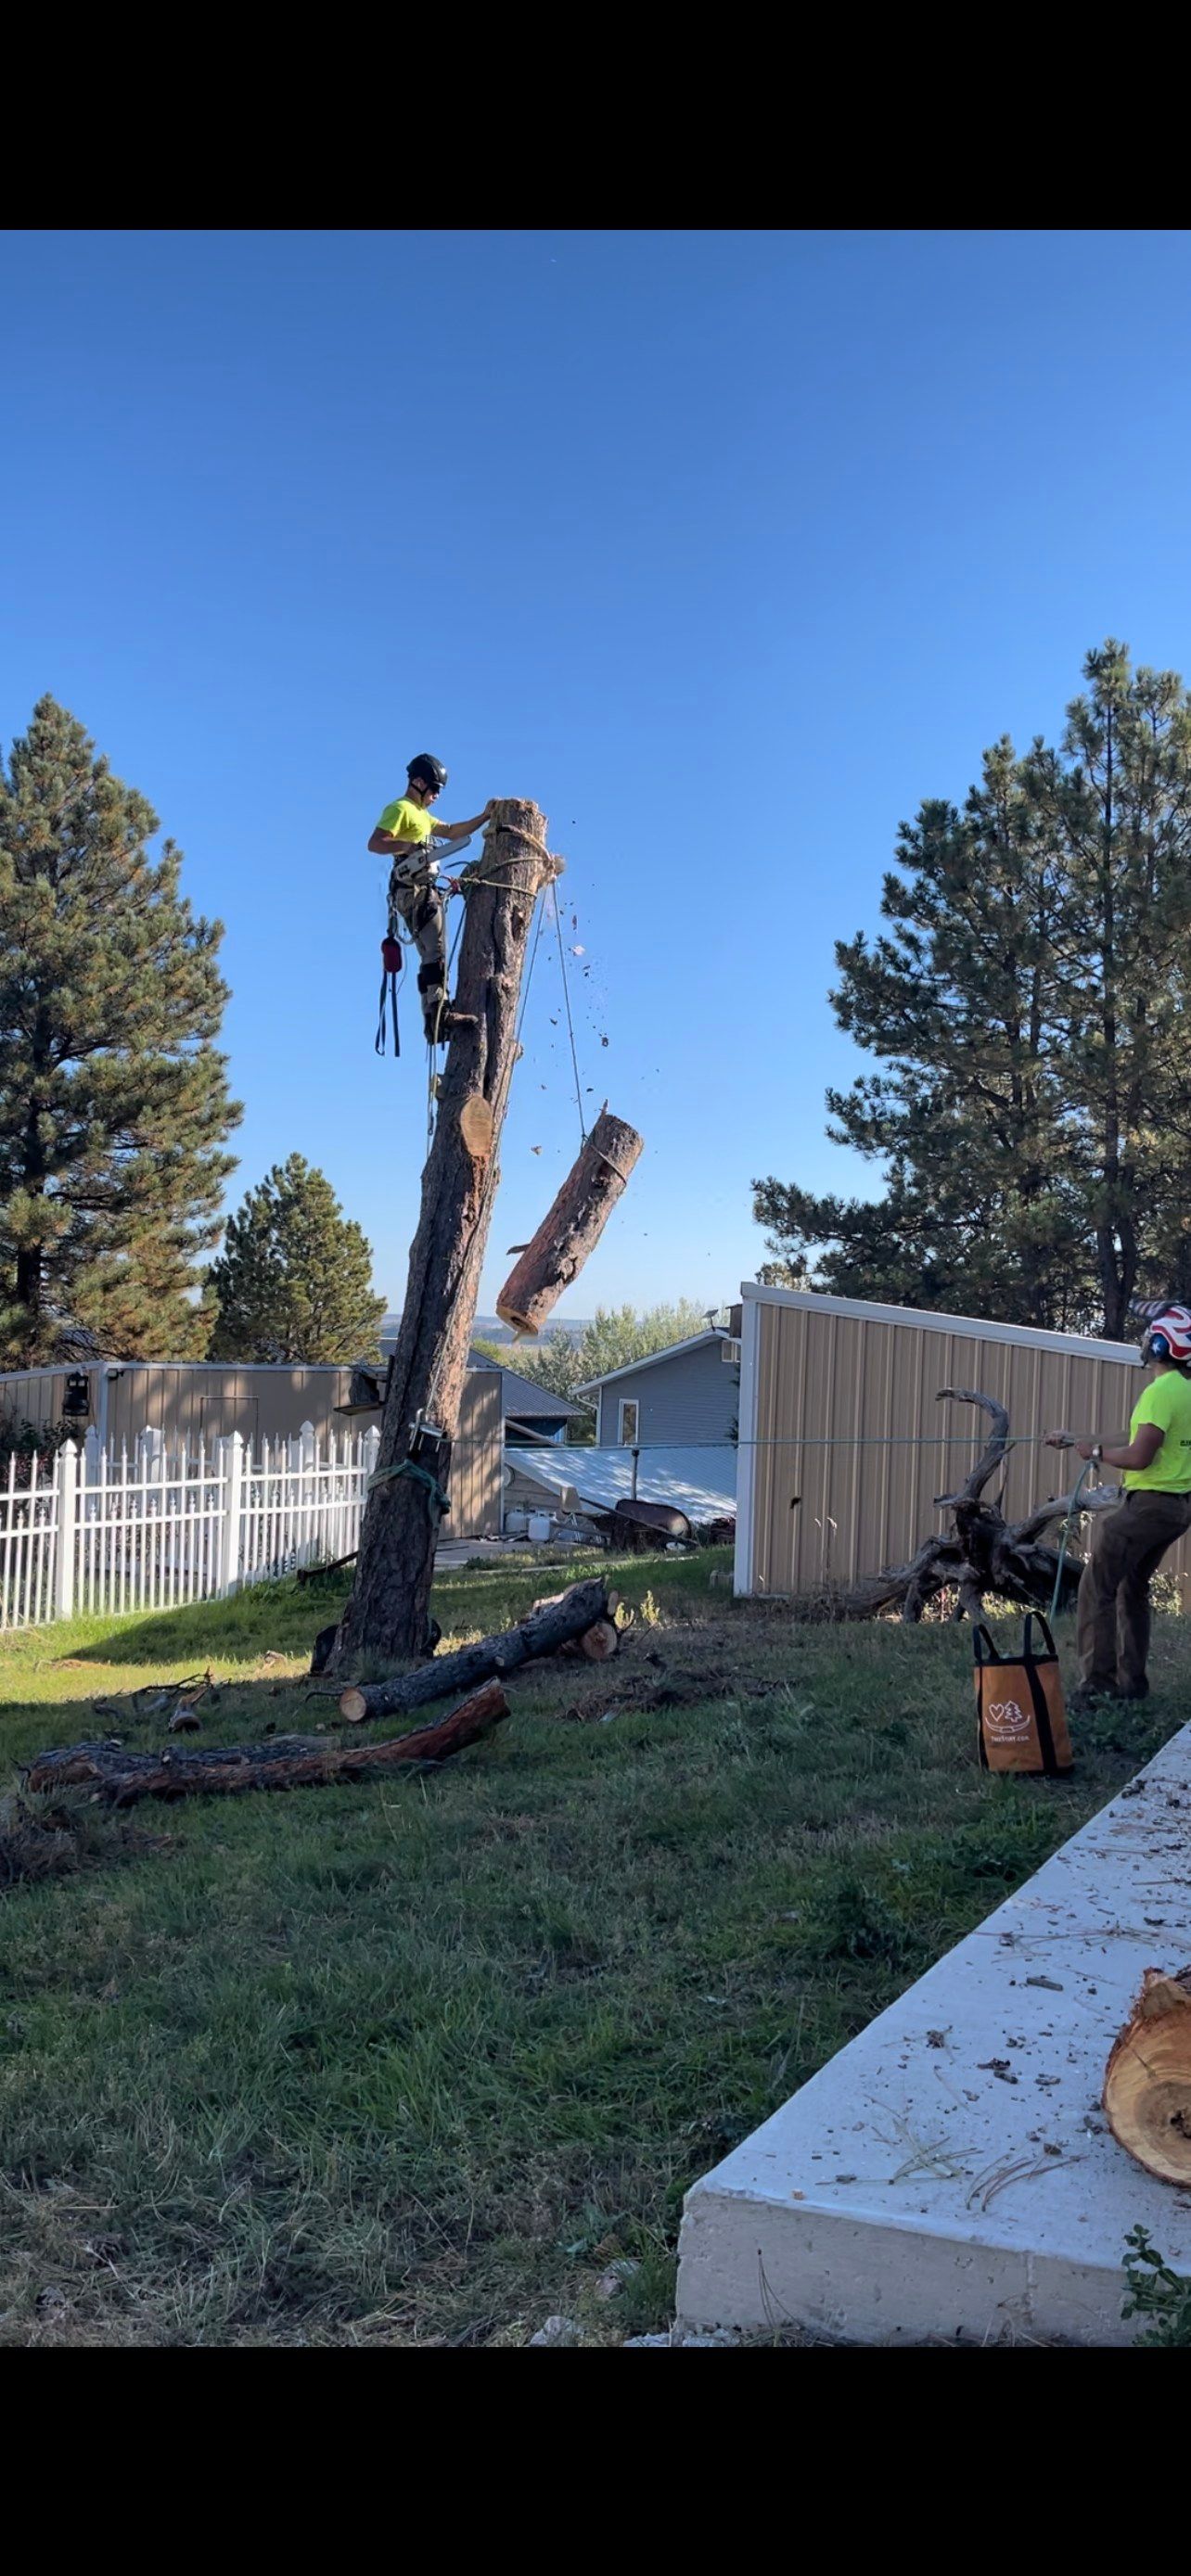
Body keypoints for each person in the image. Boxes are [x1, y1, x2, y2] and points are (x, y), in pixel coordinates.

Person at [1044, 1303, 1191, 1708]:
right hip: (1177, 1509)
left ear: (1161, 1345)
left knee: (1097, 1587)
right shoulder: (1184, 1391)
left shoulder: (1160, 1392)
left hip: (1147, 1507)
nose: (1145, 1342)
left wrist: (1097, 1455)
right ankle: (1133, 1685)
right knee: (1132, 1587)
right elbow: (1133, 1435)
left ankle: (1097, 1687)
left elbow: (1138, 1456)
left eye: (1149, 1337)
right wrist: (1077, 1438)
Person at [368, 756, 493, 1042]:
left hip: (422, 887)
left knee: (431, 954)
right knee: (435, 950)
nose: (436, 796)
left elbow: (451, 832)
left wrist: (484, 816)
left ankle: (433, 1019)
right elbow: (375, 843)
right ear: (419, 782)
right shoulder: (401, 809)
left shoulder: (422, 814)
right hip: (412, 890)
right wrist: (407, 845)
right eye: (434, 789)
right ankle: (439, 1013)